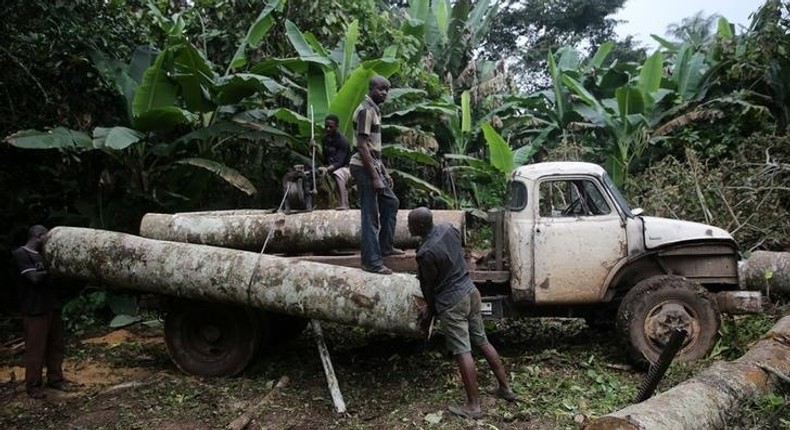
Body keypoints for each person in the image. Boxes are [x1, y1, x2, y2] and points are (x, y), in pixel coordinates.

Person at [408, 207, 516, 418]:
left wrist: (430, 310)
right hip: (470, 291)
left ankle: (473, 406)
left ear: (420, 226)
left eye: (410, 224)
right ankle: (505, 389)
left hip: (452, 301)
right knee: (482, 341)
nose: (408, 227)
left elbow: (429, 287)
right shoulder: (448, 228)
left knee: (462, 351)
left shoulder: (425, 253)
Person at [11, 225, 75, 399]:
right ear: (39, 236)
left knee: (56, 345)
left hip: (51, 306)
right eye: (46, 237)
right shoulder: (21, 254)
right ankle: (33, 386)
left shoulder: (44, 255)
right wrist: (54, 270)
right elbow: (34, 278)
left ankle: (56, 379)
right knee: (36, 349)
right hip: (34, 309)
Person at [350, 75, 403, 275]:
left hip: (372, 166)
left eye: (386, 90)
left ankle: (385, 246)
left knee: (391, 202)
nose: (384, 93)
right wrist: (374, 177)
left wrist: (383, 172)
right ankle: (371, 261)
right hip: (363, 168)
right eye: (381, 89)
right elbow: (362, 146)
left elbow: (373, 149)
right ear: (371, 88)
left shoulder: (375, 110)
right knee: (370, 214)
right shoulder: (366, 110)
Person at [314, 114, 351, 210]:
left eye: (331, 127)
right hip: (329, 167)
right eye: (326, 126)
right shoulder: (325, 139)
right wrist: (315, 150)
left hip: (345, 168)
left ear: (337, 126)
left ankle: (343, 204)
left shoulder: (343, 141)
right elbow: (324, 159)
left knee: (338, 174)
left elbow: (339, 162)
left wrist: (326, 169)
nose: (328, 129)